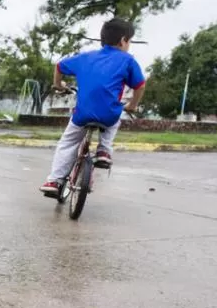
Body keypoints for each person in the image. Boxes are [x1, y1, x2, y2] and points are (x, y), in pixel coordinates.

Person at [39, 18, 146, 196]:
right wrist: (132, 105)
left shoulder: (85, 57)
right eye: (129, 41)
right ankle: (104, 150)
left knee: (68, 142)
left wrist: (59, 86)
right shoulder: (127, 60)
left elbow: (59, 66)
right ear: (123, 40)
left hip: (83, 114)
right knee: (115, 116)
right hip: (109, 114)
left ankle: (54, 181)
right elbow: (140, 85)